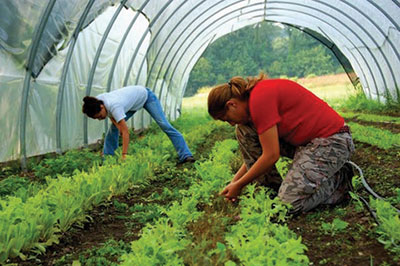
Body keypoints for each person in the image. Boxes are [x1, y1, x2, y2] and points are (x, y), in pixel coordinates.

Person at [207, 73, 354, 215]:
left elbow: (271, 155)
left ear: (231, 104)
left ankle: (339, 181)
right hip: (306, 143)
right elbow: (257, 155)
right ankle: (271, 191)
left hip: (332, 142)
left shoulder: (260, 99)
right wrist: (234, 182)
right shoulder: (254, 100)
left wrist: (239, 185)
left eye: (226, 119)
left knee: (286, 205)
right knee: (244, 130)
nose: (231, 123)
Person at [82, 85, 195, 163]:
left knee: (164, 125)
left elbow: (126, 133)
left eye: (100, 116)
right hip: (132, 104)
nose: (100, 119)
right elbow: (110, 115)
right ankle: (108, 159)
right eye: (97, 118)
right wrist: (118, 127)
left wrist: (124, 154)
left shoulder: (114, 106)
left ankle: (185, 155)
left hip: (146, 97)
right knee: (113, 129)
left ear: (102, 107)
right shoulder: (97, 101)